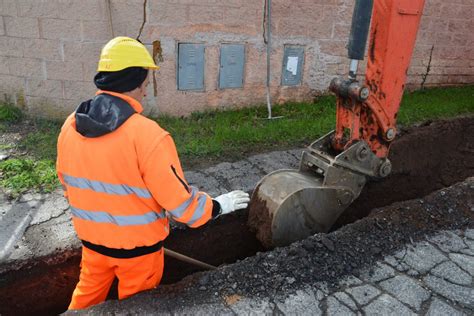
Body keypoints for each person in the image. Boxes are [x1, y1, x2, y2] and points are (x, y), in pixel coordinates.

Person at [56, 36, 250, 310]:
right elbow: (182, 206)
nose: (145, 91)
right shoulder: (148, 136)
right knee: (137, 307)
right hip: (139, 254)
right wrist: (218, 206)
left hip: (93, 245)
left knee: (85, 300)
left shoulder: (71, 126)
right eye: (145, 83)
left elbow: (68, 184)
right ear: (134, 81)